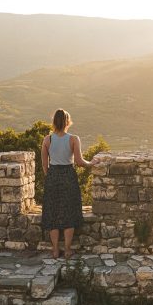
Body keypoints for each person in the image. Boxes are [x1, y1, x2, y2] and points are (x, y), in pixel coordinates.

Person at [41, 109, 100, 259]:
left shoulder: (47, 140)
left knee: (52, 213)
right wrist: (92, 162)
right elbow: (80, 162)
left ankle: (55, 250)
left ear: (54, 121)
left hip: (53, 176)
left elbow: (44, 166)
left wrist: (52, 177)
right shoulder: (73, 139)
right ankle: (67, 250)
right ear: (68, 122)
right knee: (69, 211)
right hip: (68, 176)